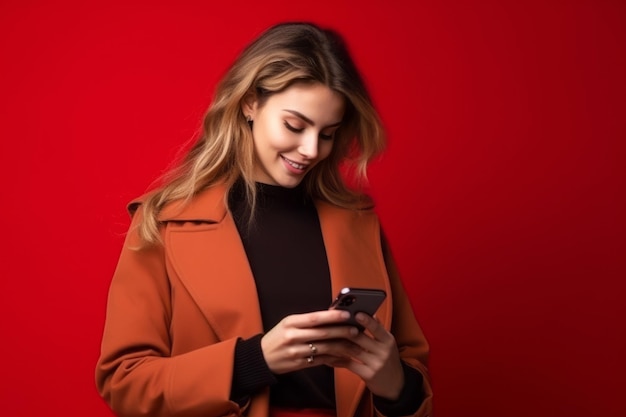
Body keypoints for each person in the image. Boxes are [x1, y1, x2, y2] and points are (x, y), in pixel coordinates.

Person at [95, 21, 433, 417]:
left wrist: (395, 384)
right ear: (250, 102)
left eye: (327, 134)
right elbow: (125, 382)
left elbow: (412, 373)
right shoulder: (165, 223)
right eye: (295, 125)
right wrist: (255, 360)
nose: (311, 149)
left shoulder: (358, 224)